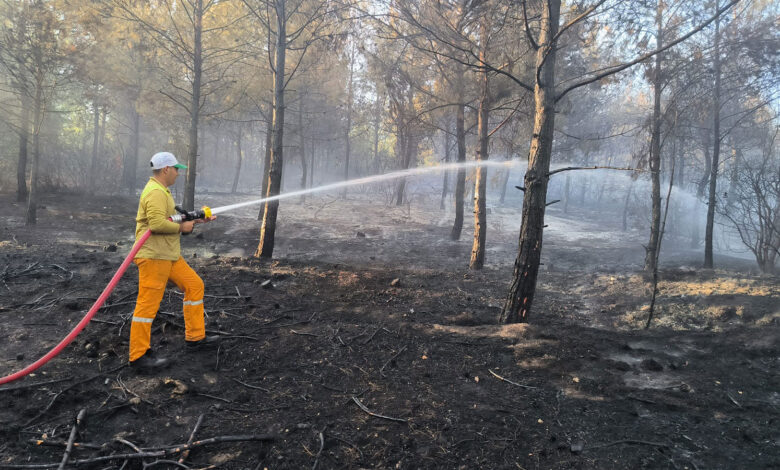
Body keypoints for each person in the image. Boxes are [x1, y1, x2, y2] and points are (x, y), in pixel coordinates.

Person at [129, 151, 218, 371]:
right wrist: (182, 227)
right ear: (166, 169)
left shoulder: (163, 192)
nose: (178, 173)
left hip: (168, 255)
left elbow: (172, 220)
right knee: (147, 305)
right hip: (153, 256)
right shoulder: (156, 192)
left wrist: (195, 220)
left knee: (194, 285)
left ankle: (195, 337)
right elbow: (157, 225)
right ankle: (138, 357)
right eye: (176, 169)